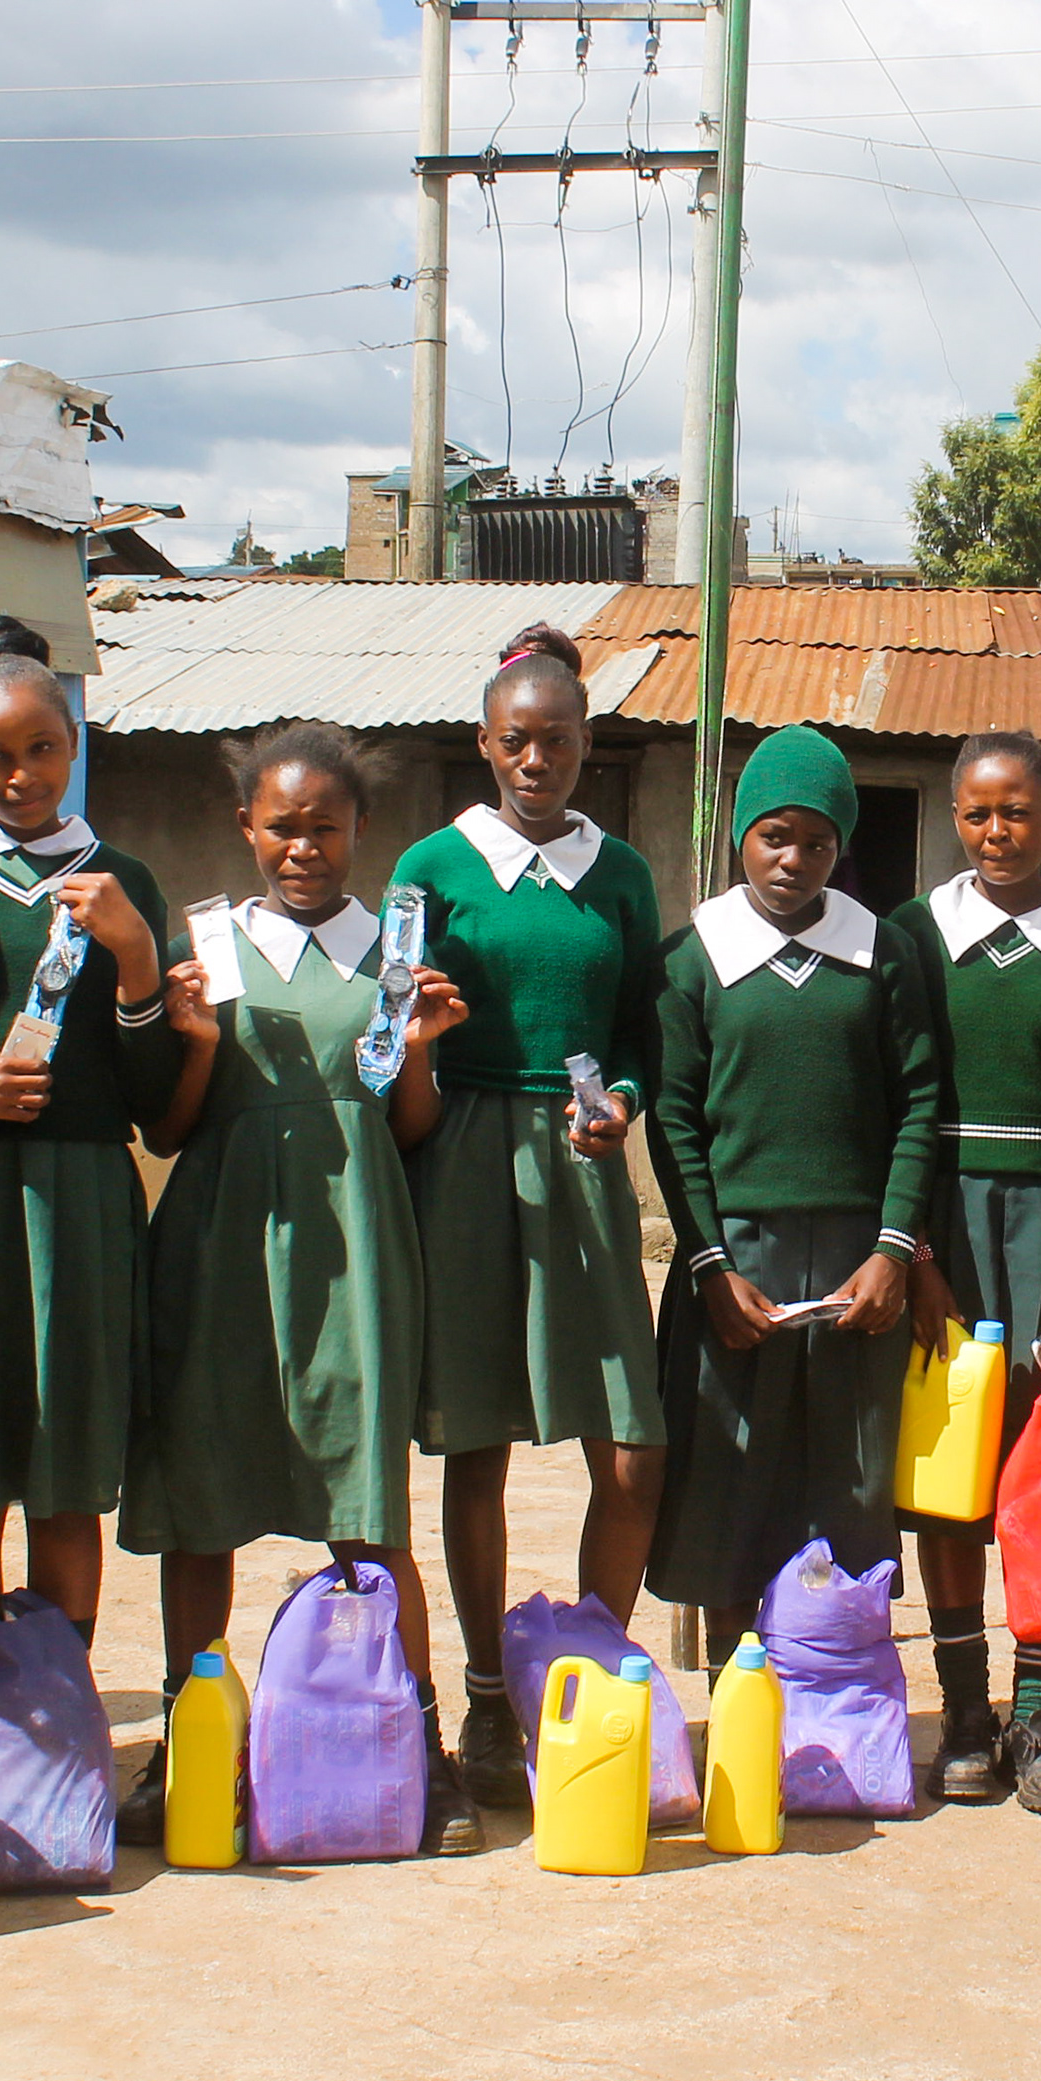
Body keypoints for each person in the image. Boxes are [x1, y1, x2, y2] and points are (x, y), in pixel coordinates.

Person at [126, 724, 478, 1856]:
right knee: (204, 1501)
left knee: (365, 1515)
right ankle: (191, 1743)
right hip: (224, 1244)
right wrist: (188, 1040)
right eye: (281, 826)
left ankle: (424, 1749)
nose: (303, 847)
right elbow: (173, 1129)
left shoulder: (394, 951)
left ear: (359, 830)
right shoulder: (210, 946)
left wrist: (421, 1045)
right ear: (246, 826)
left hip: (354, 1247)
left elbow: (407, 1125)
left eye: (325, 826)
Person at [389, 625, 669, 1811]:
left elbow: (647, 1040)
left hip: (582, 1157)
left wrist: (626, 1111)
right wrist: (415, 1033)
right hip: (461, 1155)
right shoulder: (430, 867)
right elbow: (384, 1030)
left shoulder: (622, 872)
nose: (536, 761)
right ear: (484, 743)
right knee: (477, 1441)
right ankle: (490, 1702)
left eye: (557, 741)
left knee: (632, 1446)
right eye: (516, 741)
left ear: (587, 743)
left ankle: (592, 1672)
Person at [0, 617, 176, 1658]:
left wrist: (138, 955)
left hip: (84, 1211)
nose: (19, 777)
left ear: (75, 743)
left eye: (42, 750)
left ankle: (57, 1705)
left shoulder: (124, 883)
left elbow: (155, 1103)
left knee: (67, 1489)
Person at [647, 728, 942, 1663]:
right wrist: (708, 1267)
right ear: (742, 835)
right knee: (733, 1474)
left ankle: (841, 1679)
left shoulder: (883, 951)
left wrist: (894, 1249)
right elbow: (675, 1119)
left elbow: (922, 1101)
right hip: (737, 1258)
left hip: (857, 1257)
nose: (794, 860)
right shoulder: (693, 959)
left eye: (817, 843)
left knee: (851, 1480)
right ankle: (743, 1685)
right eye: (775, 836)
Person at [888, 732, 1041, 1812]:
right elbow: (900, 1104)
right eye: (976, 813)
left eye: (1017, 810)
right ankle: (966, 1711)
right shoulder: (915, 934)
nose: (996, 832)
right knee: (952, 1484)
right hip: (948, 1235)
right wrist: (918, 1252)